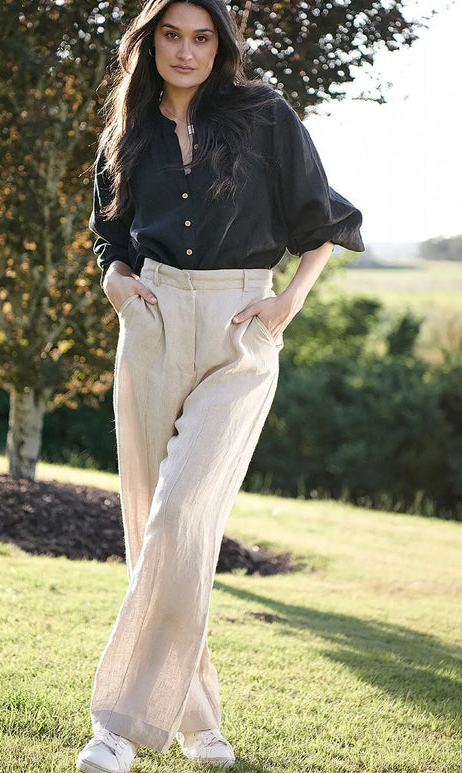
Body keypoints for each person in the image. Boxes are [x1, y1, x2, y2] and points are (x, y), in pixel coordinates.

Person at [77, 0, 364, 770]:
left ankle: (116, 726)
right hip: (154, 319)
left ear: (221, 44)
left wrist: (284, 306)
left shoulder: (264, 115)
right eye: (171, 34)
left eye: (202, 37)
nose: (186, 50)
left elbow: (326, 223)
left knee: (181, 515)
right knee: (155, 531)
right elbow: (109, 226)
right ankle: (201, 725)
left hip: (242, 326)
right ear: (150, 42)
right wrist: (114, 278)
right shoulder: (127, 130)